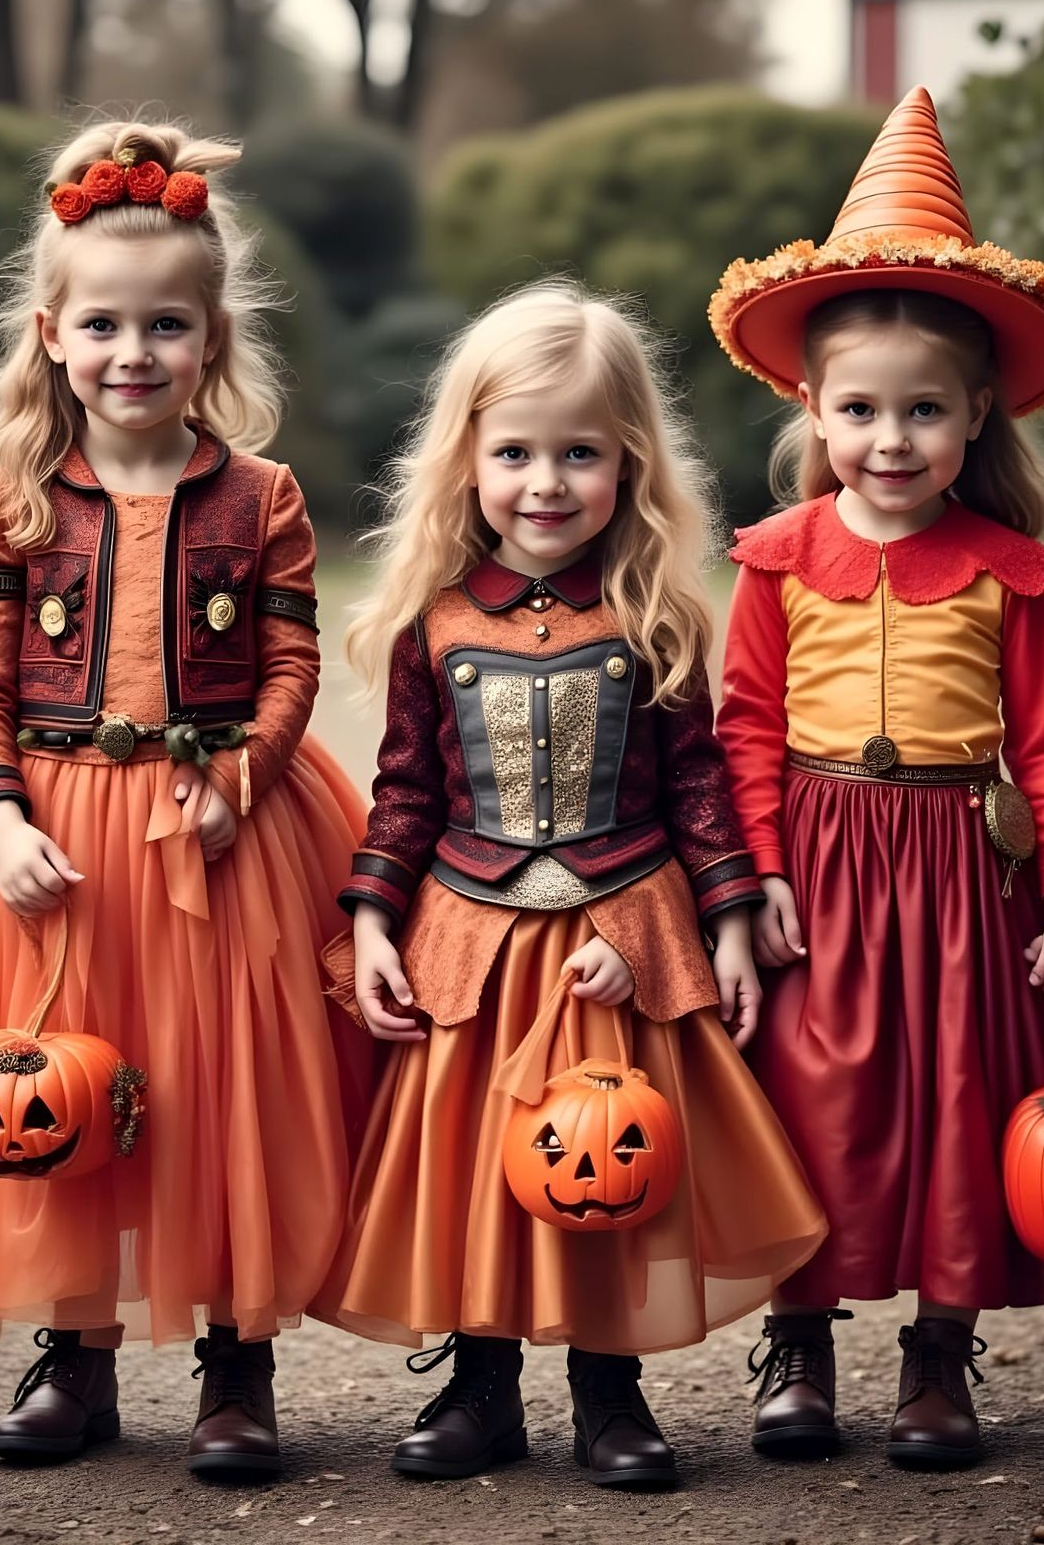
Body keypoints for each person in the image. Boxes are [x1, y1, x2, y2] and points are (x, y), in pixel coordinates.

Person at [0, 119, 371, 1478]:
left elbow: (287, 665)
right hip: (56, 837)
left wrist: (245, 776)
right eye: (103, 323)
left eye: (167, 323)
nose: (134, 352)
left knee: (227, 1088)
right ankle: (77, 1356)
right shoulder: (18, 503)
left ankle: (239, 1363)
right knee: (67, 1078)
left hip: (222, 831)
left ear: (211, 336)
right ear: (52, 332)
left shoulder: (264, 497)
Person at [315, 281, 826, 1490]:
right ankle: (481, 1385)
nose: (545, 483)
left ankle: (610, 1391)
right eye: (515, 453)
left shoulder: (654, 617)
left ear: (628, 464)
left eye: (579, 454)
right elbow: (406, 793)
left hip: (620, 928)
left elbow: (698, 789)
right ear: (467, 461)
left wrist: (727, 927)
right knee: (478, 1165)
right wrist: (376, 920)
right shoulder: (432, 625)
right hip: (472, 940)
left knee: (611, 1155)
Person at [710, 87, 1044, 1467]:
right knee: (811, 1100)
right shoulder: (773, 559)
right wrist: (752, 874)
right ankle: (801, 1348)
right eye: (862, 410)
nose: (891, 440)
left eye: (924, 411)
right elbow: (743, 726)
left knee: (955, 1103)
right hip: (814, 860)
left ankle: (939, 1359)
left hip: (951, 872)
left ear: (976, 411)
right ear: (812, 406)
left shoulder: (1006, 575)